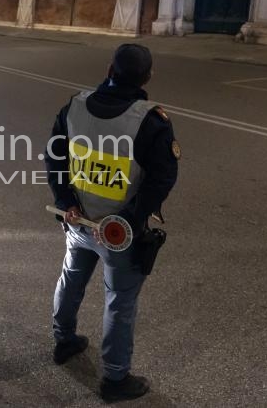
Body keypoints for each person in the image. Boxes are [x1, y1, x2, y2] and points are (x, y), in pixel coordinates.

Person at [45, 43, 179, 402]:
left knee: (71, 278)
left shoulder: (75, 106)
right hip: (119, 236)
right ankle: (115, 379)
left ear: (110, 69)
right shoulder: (150, 121)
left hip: (78, 221)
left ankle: (64, 340)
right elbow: (161, 179)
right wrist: (128, 221)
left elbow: (54, 157)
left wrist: (65, 201)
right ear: (147, 77)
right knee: (119, 300)